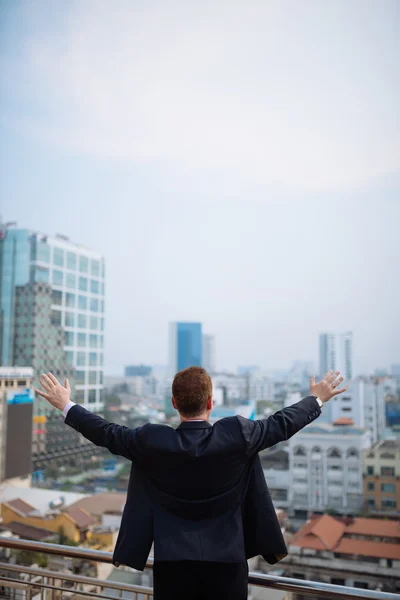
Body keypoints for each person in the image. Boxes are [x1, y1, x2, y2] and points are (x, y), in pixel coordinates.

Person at [36, 367, 346, 600]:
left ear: (174, 402)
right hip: (228, 565)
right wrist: (317, 396)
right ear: (211, 402)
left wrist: (66, 404)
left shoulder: (152, 441)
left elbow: (106, 432)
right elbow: (281, 423)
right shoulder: (237, 435)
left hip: (173, 566)